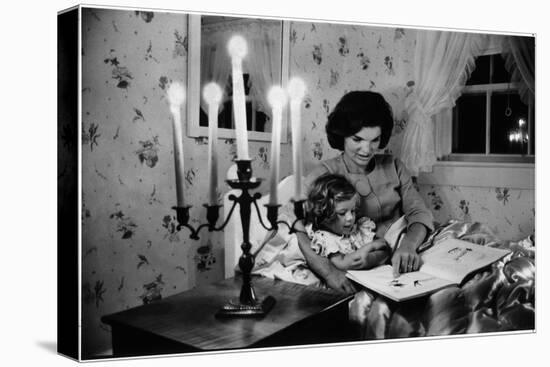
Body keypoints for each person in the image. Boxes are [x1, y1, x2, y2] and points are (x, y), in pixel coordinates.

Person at [296, 91, 434, 293]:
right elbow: (297, 229)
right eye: (357, 139)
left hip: (408, 247)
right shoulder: (323, 175)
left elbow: (419, 213)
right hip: (370, 265)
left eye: (375, 140)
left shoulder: (394, 165)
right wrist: (330, 273)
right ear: (341, 135)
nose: (366, 150)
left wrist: (408, 246)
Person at [304, 173, 389, 271]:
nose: (350, 218)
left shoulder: (358, 230)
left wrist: (368, 258)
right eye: (342, 213)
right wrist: (371, 248)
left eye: (352, 211)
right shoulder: (325, 238)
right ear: (324, 216)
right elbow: (343, 263)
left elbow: (385, 252)